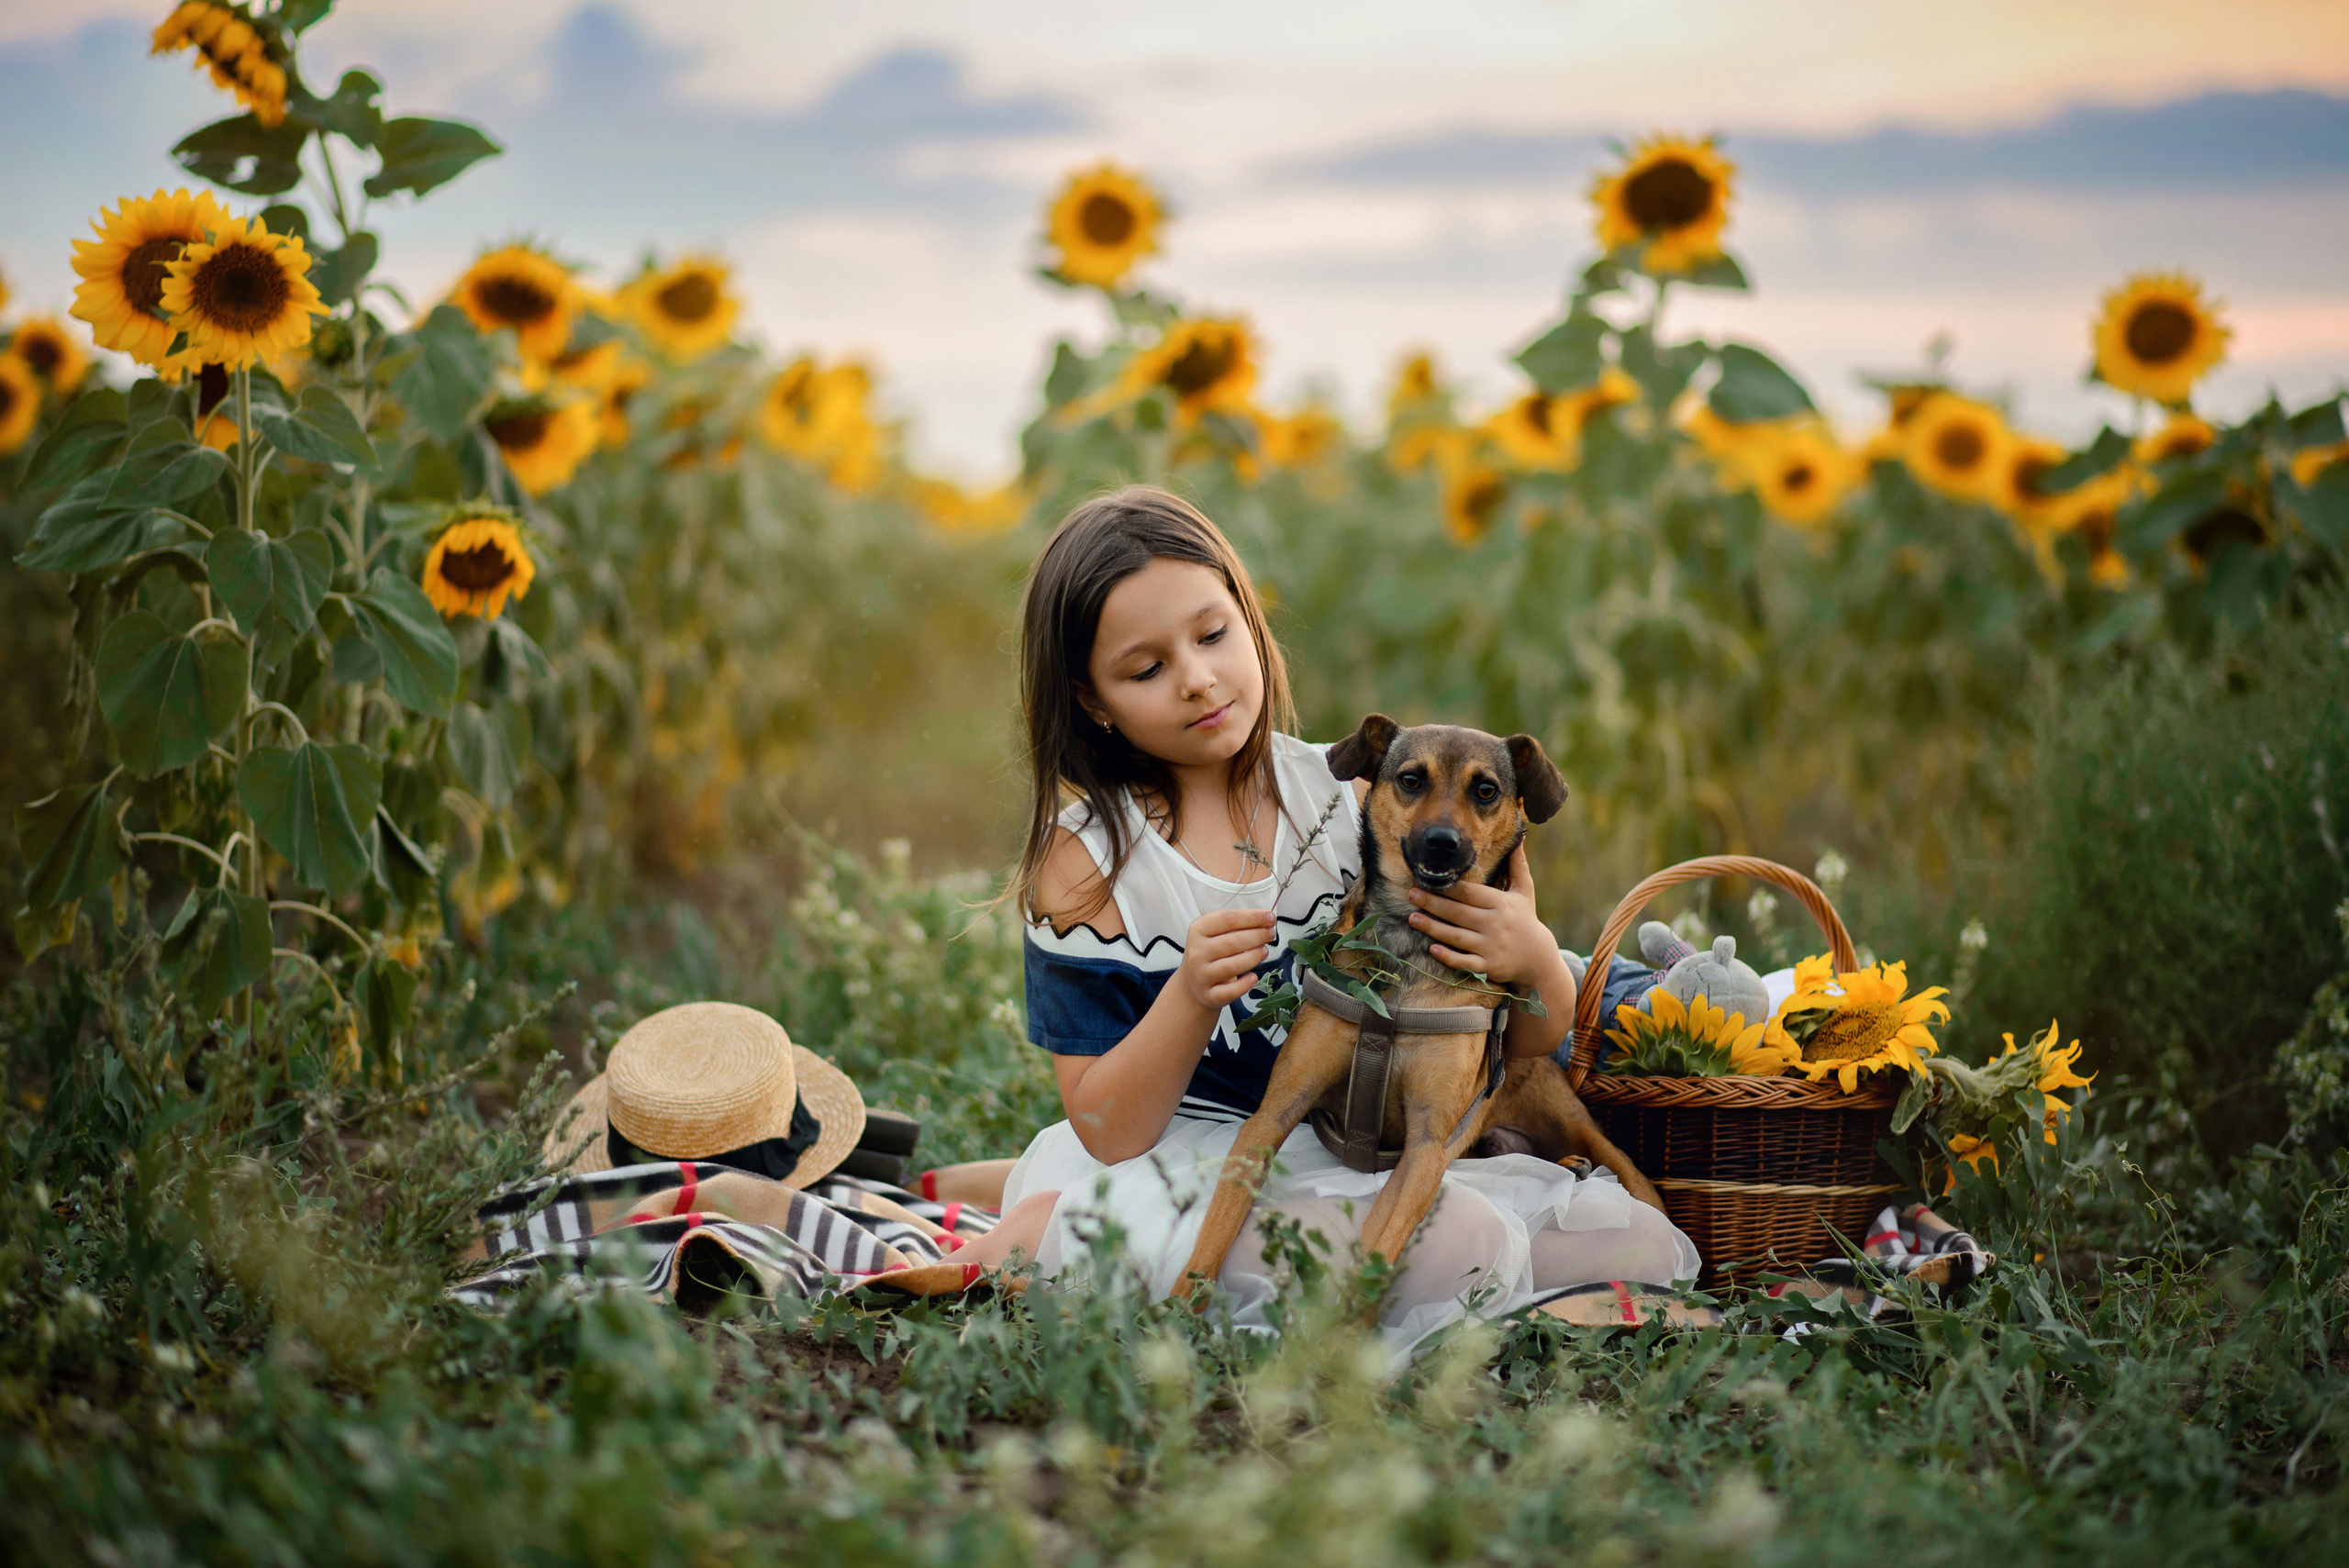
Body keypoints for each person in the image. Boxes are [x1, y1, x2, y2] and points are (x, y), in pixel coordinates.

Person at [951, 484, 1697, 1351]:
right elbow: (1108, 1126)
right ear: (1092, 700)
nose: (1196, 678)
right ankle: (1060, 1233)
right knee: (1467, 1242)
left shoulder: (1354, 799)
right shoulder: (1089, 862)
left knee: (1639, 1243)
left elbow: (1515, 1047)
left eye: (1213, 634)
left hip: (1349, 1150)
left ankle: (1102, 1242)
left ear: (1249, 616)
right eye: (1147, 669)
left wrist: (1531, 958)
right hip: (1188, 1163)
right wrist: (1190, 995)